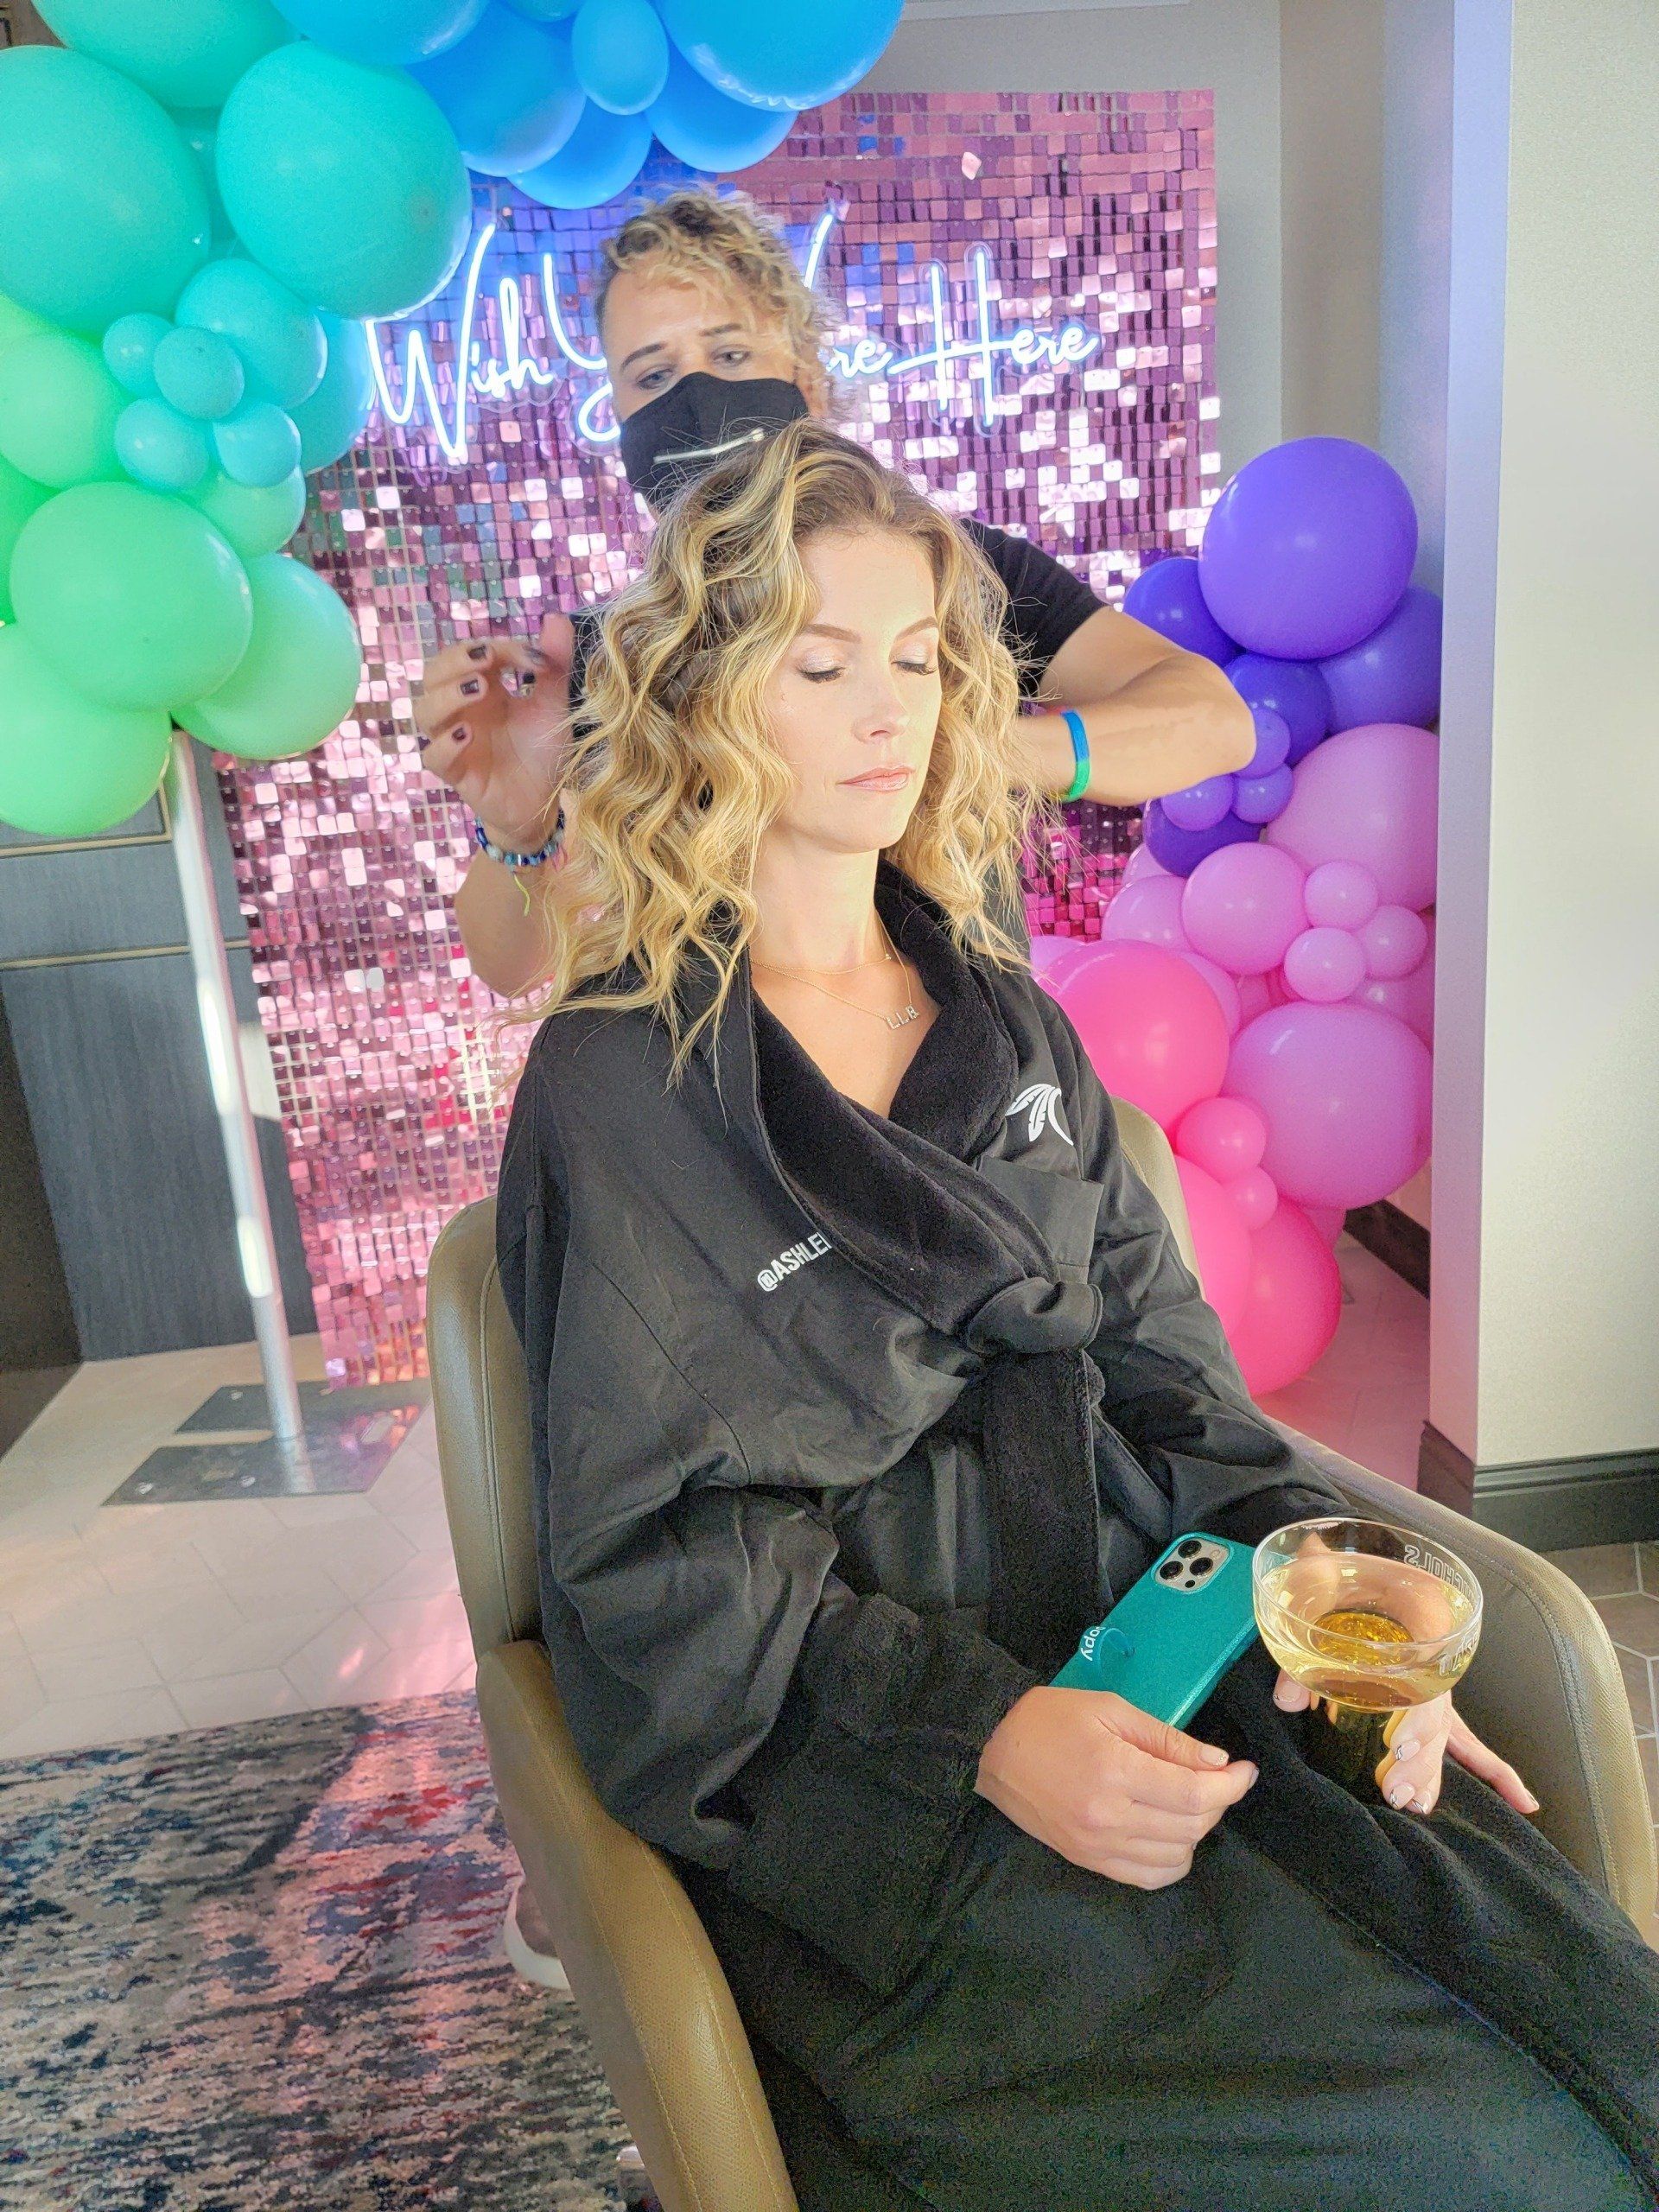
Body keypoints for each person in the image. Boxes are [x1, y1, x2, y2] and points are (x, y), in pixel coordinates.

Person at [491, 417, 1659, 2211]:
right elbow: (659, 1563)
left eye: (919, 659)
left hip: (1162, 1639)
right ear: (713, 689)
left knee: (1577, 2016)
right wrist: (985, 1736)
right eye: (821, 663)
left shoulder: (1009, 1024)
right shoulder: (620, 1085)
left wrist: (1333, 1610)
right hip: (876, 1774)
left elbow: (1172, 1377)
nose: (890, 712)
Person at [413, 187, 1256, 1001]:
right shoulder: (598, 662)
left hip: (961, 1093)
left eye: (731, 355)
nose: (697, 401)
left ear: (806, 378)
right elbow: (510, 968)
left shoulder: (951, 579)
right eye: (653, 376)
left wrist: (982, 749)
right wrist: (519, 836)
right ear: (620, 413)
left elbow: (1214, 721)